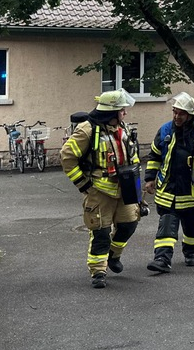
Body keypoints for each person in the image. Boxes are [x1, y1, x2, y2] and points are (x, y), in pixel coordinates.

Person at [60, 89, 143, 289]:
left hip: (125, 189)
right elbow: (67, 157)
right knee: (100, 232)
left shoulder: (122, 128)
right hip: (99, 191)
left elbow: (133, 158)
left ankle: (114, 255)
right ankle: (98, 271)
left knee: (129, 224)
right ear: (112, 112)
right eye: (122, 110)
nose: (125, 113)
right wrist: (83, 184)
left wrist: (138, 189)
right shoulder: (87, 130)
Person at [144, 91, 194, 274]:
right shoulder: (165, 130)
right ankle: (162, 259)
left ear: (190, 115)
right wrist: (150, 178)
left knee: (191, 226)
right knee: (167, 222)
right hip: (168, 189)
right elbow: (155, 156)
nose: (176, 116)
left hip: (192, 190)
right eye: (174, 112)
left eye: (181, 113)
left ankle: (191, 251)